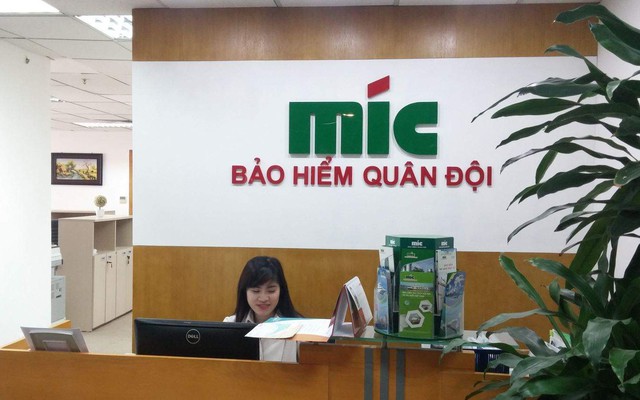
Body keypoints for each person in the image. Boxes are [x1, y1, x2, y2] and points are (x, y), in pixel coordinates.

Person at [224, 256, 301, 362]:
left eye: (271, 291)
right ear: (244, 292)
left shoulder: (299, 328)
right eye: (256, 291)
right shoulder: (229, 325)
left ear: (281, 291)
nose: (263, 298)